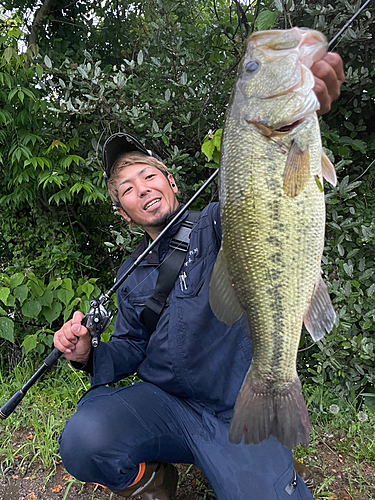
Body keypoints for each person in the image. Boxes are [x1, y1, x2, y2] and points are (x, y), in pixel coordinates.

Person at [54, 53, 345, 500]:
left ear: (171, 182)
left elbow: (268, 192)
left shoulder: (220, 221)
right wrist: (87, 353)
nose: (142, 189)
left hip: (235, 408)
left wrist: (303, 108)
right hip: (165, 405)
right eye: (127, 189)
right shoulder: (129, 274)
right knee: (84, 439)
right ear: (124, 214)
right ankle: (151, 479)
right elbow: (132, 345)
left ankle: (259, 449)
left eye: (148, 176)